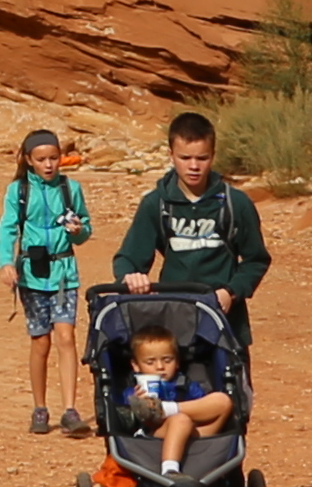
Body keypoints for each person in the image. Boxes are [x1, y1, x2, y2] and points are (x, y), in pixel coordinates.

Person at [111, 109, 274, 351]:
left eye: (202, 158)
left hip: (226, 323)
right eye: (185, 158)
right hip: (174, 321)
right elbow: (128, 258)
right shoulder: (156, 204)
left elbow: (256, 260)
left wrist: (231, 292)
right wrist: (130, 277)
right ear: (171, 155)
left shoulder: (235, 203)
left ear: (213, 155)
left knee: (230, 389)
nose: (194, 166)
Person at [0, 127, 93, 433]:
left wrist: (79, 231)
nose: (49, 165)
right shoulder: (18, 191)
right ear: (29, 160)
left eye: (54, 158)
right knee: (41, 342)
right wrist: (6, 263)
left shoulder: (71, 189)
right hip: (33, 275)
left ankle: (70, 410)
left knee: (66, 337)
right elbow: (7, 229)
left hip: (65, 275)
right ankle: (40, 408)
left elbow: (85, 229)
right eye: (42, 159)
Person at [117, 313, 232, 471]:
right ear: (136, 366)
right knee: (180, 420)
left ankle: (164, 409)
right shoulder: (135, 391)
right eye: (150, 362)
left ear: (177, 362)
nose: (160, 367)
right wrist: (136, 402)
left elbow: (204, 408)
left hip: (198, 434)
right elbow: (124, 420)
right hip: (154, 434)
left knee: (223, 401)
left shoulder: (186, 385)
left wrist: (171, 410)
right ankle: (170, 469)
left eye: (167, 360)